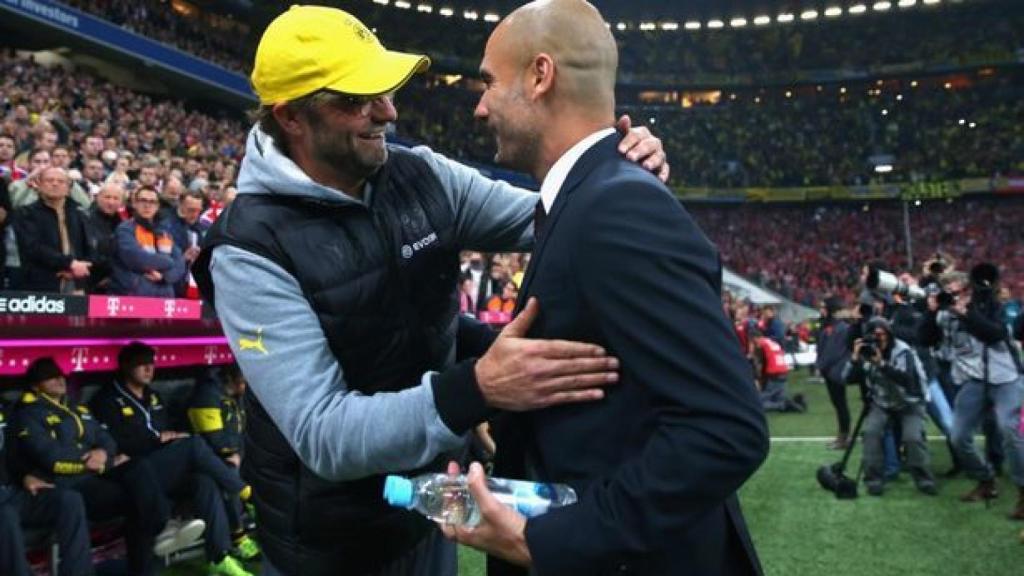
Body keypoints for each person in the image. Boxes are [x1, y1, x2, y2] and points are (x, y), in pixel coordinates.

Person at [193, 5, 669, 576]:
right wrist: (479, 386)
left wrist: (618, 165)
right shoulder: (248, 250)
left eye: (386, 90)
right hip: (325, 545)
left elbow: (555, 216)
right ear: (292, 117)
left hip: (429, 510)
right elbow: (324, 435)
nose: (387, 113)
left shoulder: (421, 174)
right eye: (356, 99)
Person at [444, 2, 768, 574]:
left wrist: (550, 542)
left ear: (541, 76)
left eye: (489, 83)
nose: (480, 105)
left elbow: (726, 428)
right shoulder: (585, 199)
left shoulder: (616, 205)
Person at [89, 342, 255, 576]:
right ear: (126, 366)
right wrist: (157, 440)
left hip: (160, 466)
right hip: (135, 471)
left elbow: (167, 432)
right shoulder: (107, 399)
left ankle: (219, 556)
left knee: (203, 481)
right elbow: (117, 444)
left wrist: (168, 437)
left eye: (151, 363)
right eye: (141, 364)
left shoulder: (154, 396)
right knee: (193, 446)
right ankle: (244, 492)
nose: (149, 369)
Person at [13, 357, 166, 576]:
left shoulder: (76, 407)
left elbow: (107, 439)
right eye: (49, 376)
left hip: (97, 474)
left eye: (60, 374)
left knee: (139, 468)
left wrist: (103, 454)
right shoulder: (28, 414)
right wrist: (98, 463)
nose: (58, 379)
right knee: (137, 500)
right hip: (71, 484)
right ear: (35, 386)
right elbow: (52, 458)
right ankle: (155, 541)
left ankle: (159, 525)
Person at [919, 268, 1024, 519]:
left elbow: (996, 333)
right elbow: (924, 339)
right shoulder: (943, 313)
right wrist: (931, 312)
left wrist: (966, 313)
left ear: (970, 291)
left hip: (1004, 377)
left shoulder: (989, 305)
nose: (955, 297)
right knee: (958, 436)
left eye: (960, 292)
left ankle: (1023, 490)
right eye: (950, 293)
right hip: (972, 380)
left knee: (1009, 430)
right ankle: (985, 480)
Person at [0, 397, 94, 576]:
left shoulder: (6, 410)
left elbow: (14, 455)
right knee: (6, 516)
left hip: (13, 492)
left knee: (69, 500)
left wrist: (25, 476)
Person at [847, 317, 936, 496]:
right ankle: (873, 479)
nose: (879, 339)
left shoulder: (903, 352)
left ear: (889, 334)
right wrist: (855, 358)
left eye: (882, 334)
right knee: (871, 433)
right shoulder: (867, 351)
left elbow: (907, 381)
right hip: (883, 401)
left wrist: (881, 364)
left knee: (912, 438)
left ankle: (924, 479)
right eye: (874, 335)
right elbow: (848, 379)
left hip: (910, 401)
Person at [188, 364, 261, 561]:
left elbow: (243, 431)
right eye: (246, 381)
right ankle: (239, 539)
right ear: (236, 380)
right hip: (208, 460)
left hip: (234, 454)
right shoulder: (207, 395)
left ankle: (263, 522)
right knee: (230, 475)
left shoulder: (236, 397)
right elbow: (213, 439)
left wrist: (241, 450)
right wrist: (235, 452)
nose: (248, 386)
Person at [13, 167, 95, 293]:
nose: (55, 184)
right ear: (39, 185)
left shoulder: (79, 213)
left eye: (61, 181)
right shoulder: (26, 213)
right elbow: (32, 248)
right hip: (39, 284)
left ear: (68, 189)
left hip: (76, 282)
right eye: (49, 180)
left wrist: (79, 268)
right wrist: (69, 264)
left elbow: (89, 246)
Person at [110, 186, 186, 297]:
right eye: (143, 201)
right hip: (133, 296)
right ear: (134, 204)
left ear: (157, 206)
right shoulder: (125, 229)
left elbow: (180, 263)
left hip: (164, 297)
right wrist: (168, 261)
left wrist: (164, 277)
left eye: (152, 202)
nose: (147, 205)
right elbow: (138, 259)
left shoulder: (163, 232)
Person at [816, 296, 852, 449]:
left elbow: (832, 353)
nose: (821, 310)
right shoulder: (832, 326)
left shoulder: (839, 328)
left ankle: (843, 438)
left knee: (840, 405)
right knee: (839, 405)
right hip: (832, 371)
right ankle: (842, 436)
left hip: (835, 372)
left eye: (824, 308)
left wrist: (820, 365)